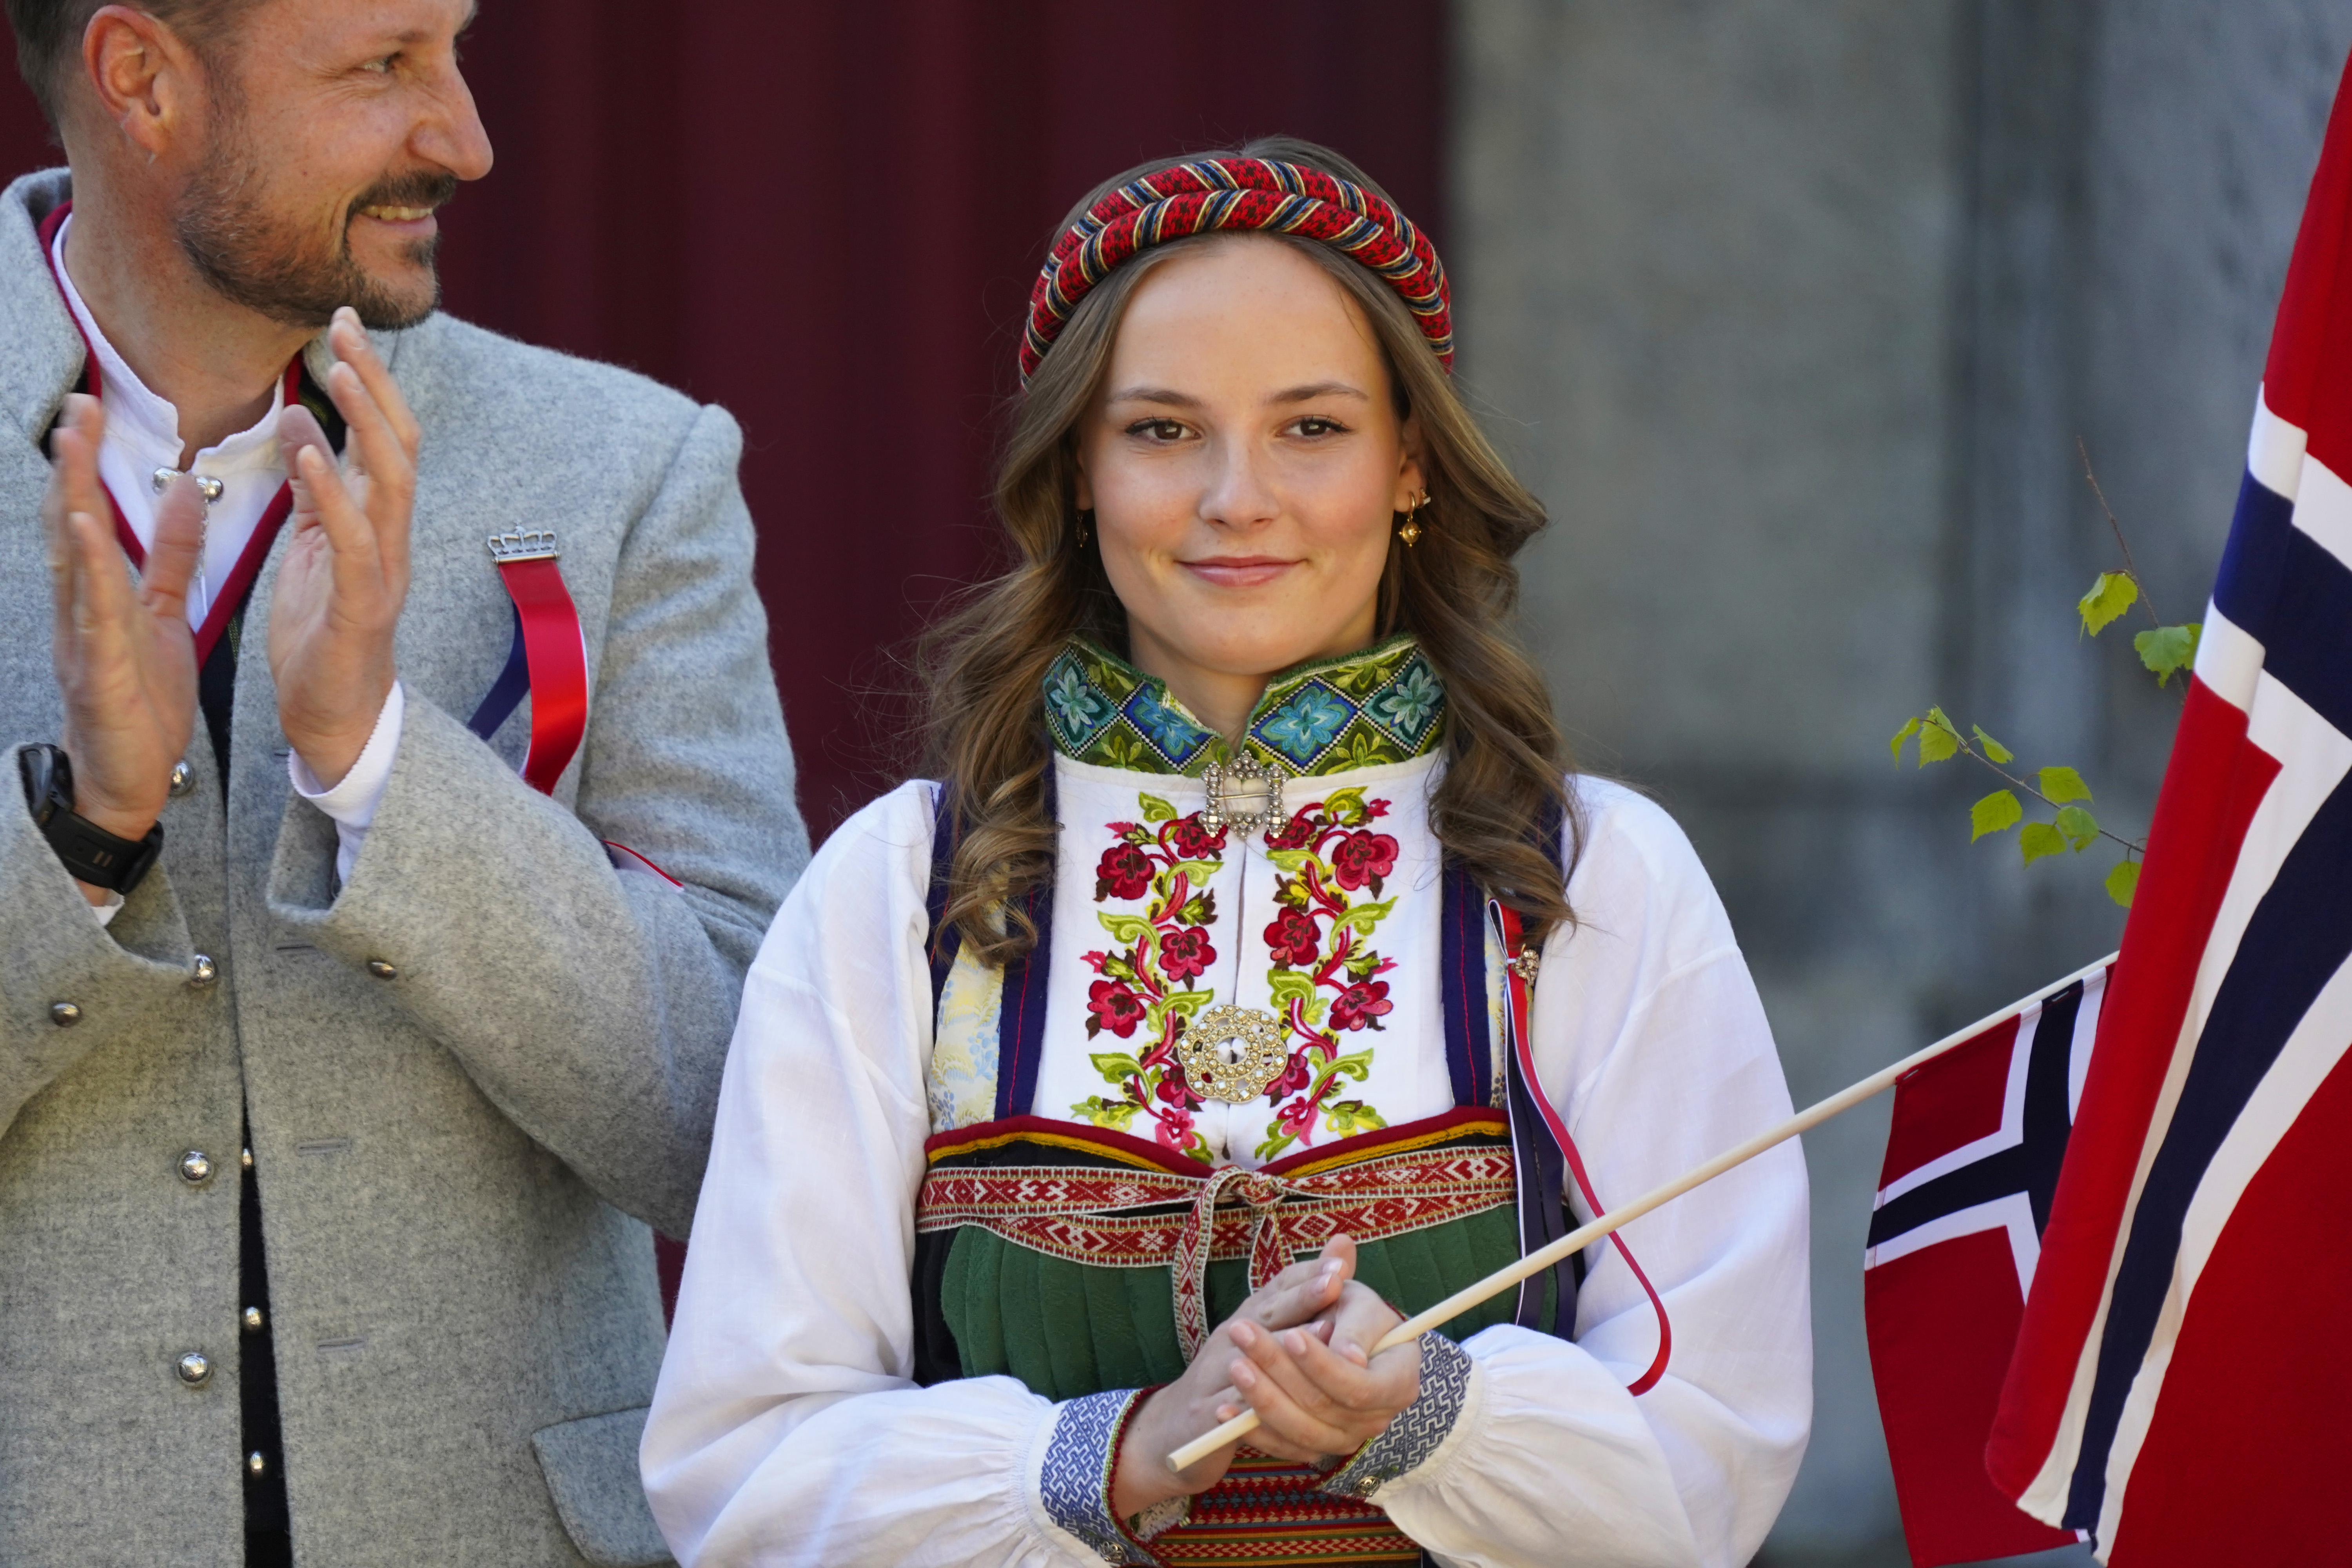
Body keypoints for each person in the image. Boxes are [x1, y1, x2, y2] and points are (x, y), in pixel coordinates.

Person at [642, 137, 1810, 1567]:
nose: (1235, 499)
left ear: (1411, 463)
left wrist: (1428, 1414)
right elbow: (743, 1466)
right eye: (1161, 430)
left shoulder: (1585, 879)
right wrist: (1115, 1454)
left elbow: (1714, 1451)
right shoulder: (904, 891)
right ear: (1077, 470)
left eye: (1312, 428)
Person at [0, 2, 805, 1563]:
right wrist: (78, 840)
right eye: (384, 65)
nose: (466, 136)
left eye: (455, 50)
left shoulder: (627, 469)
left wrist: (383, 768)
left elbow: (730, 1131)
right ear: (143, 78)